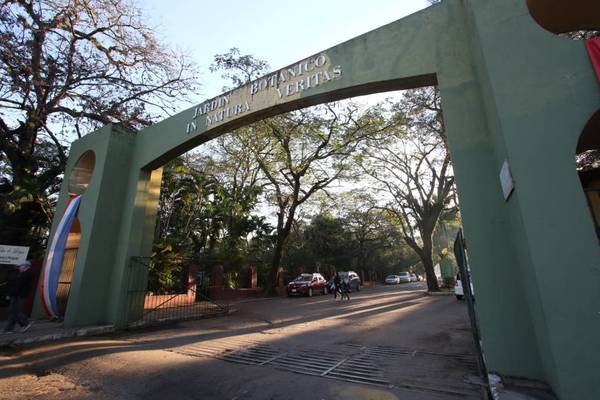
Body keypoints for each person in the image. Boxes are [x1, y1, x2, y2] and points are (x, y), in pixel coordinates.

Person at [2, 261, 34, 334]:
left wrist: (10, 294)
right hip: (19, 295)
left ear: (26, 266)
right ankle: (8, 328)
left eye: (20, 266)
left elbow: (18, 286)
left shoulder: (25, 274)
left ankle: (25, 323)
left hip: (19, 295)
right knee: (13, 311)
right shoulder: (25, 274)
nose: (19, 268)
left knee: (15, 310)